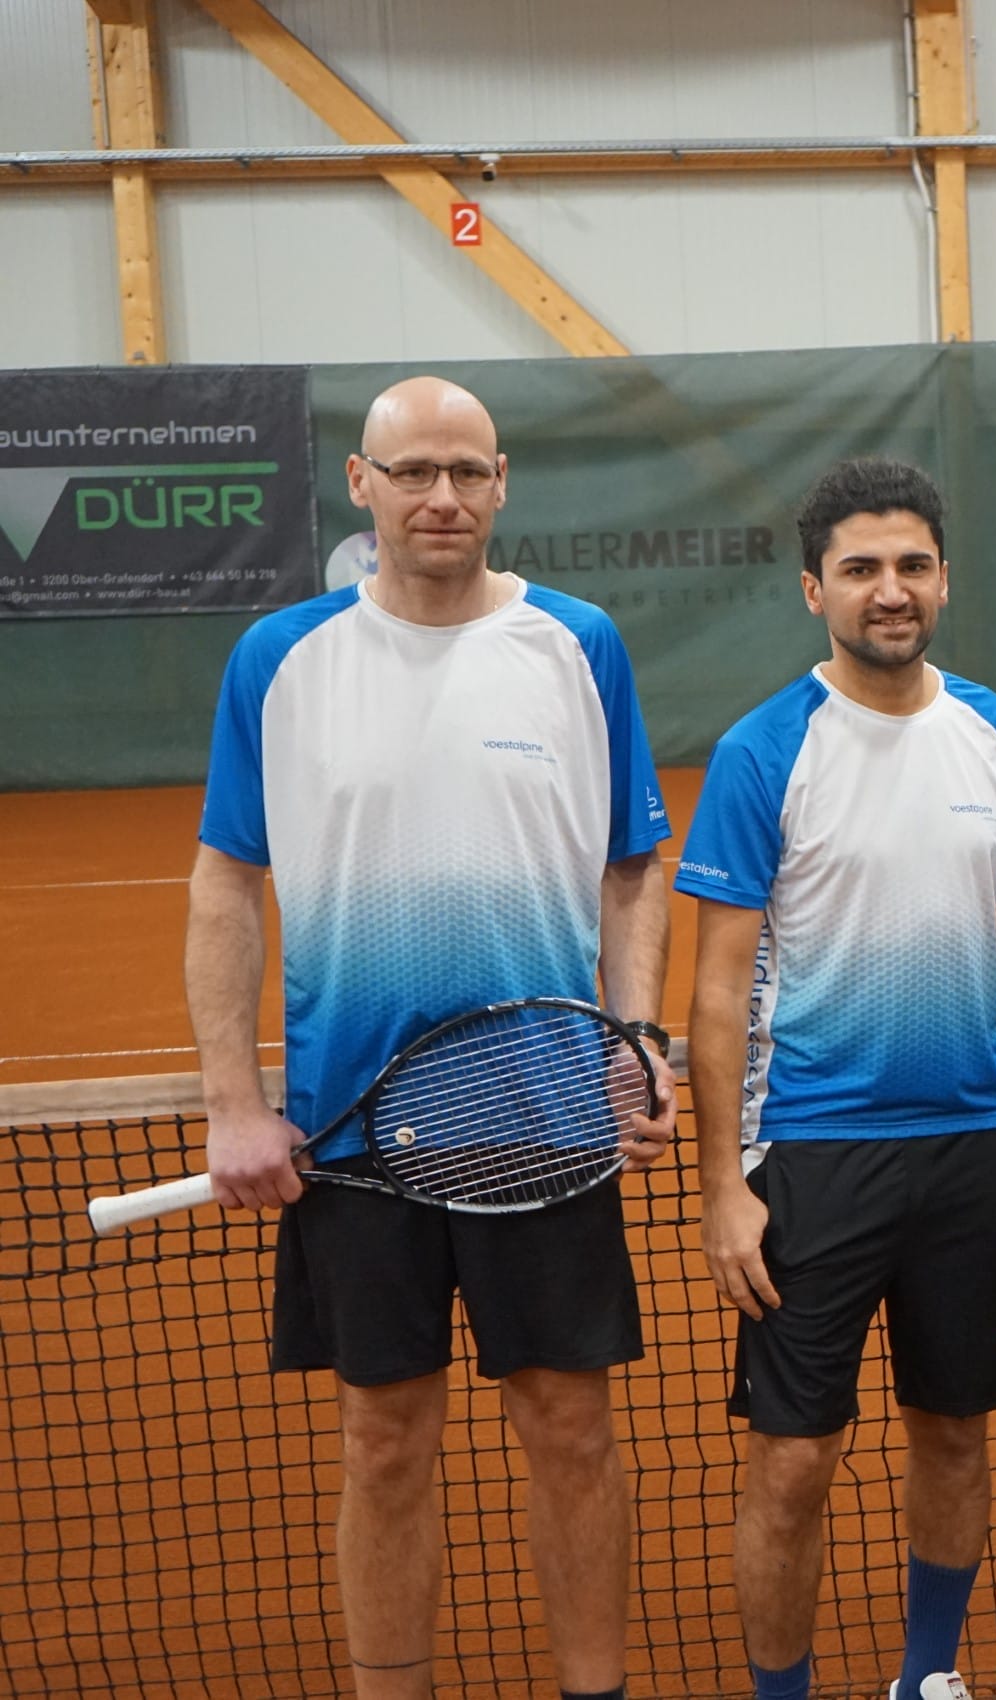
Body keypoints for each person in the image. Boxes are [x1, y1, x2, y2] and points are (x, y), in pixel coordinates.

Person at [192, 375, 678, 1700]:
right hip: (353, 1135)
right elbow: (227, 884)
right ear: (362, 484)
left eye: (467, 470)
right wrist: (235, 1100)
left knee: (570, 1427)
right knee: (384, 1439)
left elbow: (635, 864)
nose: (443, 496)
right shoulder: (280, 660)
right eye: (413, 471)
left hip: (546, 1119)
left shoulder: (578, 645)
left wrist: (636, 1033)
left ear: (503, 482)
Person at [679, 457, 996, 1700]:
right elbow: (715, 989)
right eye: (860, 568)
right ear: (815, 589)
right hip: (812, 1153)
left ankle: (928, 1676)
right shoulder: (764, 751)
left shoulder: (991, 731)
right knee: (795, 1460)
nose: (889, 589)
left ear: (944, 579)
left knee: (954, 1431)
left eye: (911, 564)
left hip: (968, 1147)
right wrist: (722, 1187)